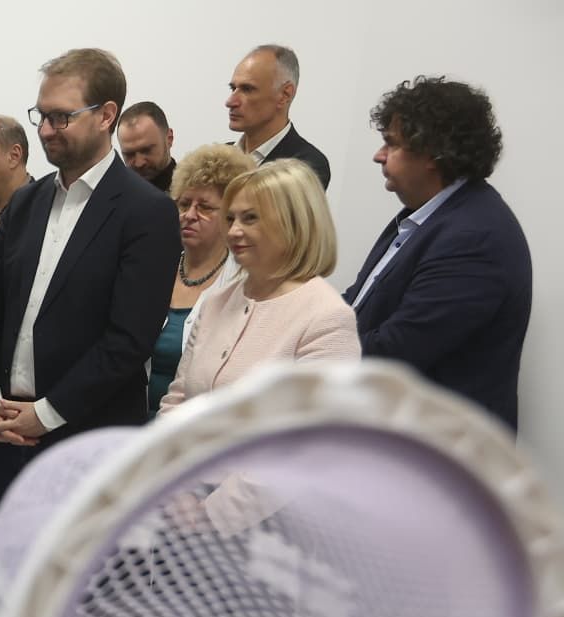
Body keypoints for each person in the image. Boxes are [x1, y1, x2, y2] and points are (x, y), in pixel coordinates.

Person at [0, 48, 181, 524]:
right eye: (42, 115)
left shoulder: (146, 212)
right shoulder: (25, 203)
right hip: (1, 431)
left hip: (85, 443)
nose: (46, 130)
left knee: (71, 571)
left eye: (61, 117)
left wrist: (45, 414)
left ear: (106, 115)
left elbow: (128, 340)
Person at [344, 76, 531, 431]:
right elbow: (357, 304)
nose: (378, 155)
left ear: (432, 152)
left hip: (432, 450)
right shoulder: (425, 216)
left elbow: (396, 351)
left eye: (391, 144)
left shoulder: (475, 238)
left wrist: (304, 355)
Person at [160, 159, 358, 415]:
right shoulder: (216, 302)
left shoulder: (327, 318)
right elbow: (177, 400)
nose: (233, 231)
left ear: (294, 222)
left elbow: (321, 430)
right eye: (230, 219)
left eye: (250, 218)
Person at [148, 143, 255, 414]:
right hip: (130, 417)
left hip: (194, 424)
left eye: (205, 207)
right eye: (184, 204)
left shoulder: (244, 282)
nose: (190, 215)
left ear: (231, 215)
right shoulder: (156, 264)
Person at [226, 45, 330, 188]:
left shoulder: (306, 165)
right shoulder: (215, 160)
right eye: (233, 88)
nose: (230, 102)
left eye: (247, 89)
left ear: (284, 95)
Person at [117, 101, 176, 192]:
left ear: (169, 138)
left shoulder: (193, 194)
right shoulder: (111, 196)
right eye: (129, 154)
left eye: (146, 150)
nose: (139, 163)